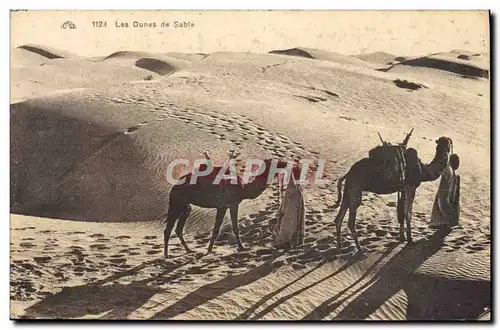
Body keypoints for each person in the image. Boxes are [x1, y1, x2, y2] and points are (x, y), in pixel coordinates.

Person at [272, 171, 305, 250]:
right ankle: (285, 242)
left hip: (293, 197)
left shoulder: (296, 190)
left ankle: (287, 242)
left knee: (289, 221)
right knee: (286, 220)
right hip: (291, 194)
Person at [430, 154, 460, 229]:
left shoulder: (451, 173)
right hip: (445, 197)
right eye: (457, 162)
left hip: (446, 197)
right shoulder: (449, 171)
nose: (458, 164)